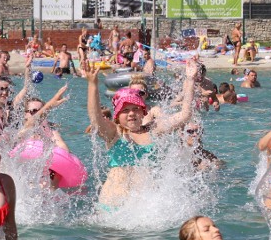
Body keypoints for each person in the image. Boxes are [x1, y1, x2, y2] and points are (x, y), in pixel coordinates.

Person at [85, 60, 198, 209]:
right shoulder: (115, 133)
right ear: (117, 115)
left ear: (143, 112)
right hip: (111, 208)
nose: (131, 113)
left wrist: (190, 79)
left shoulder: (155, 130)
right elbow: (95, 118)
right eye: (125, 110)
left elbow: (185, 115)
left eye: (135, 109)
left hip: (142, 211)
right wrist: (92, 85)